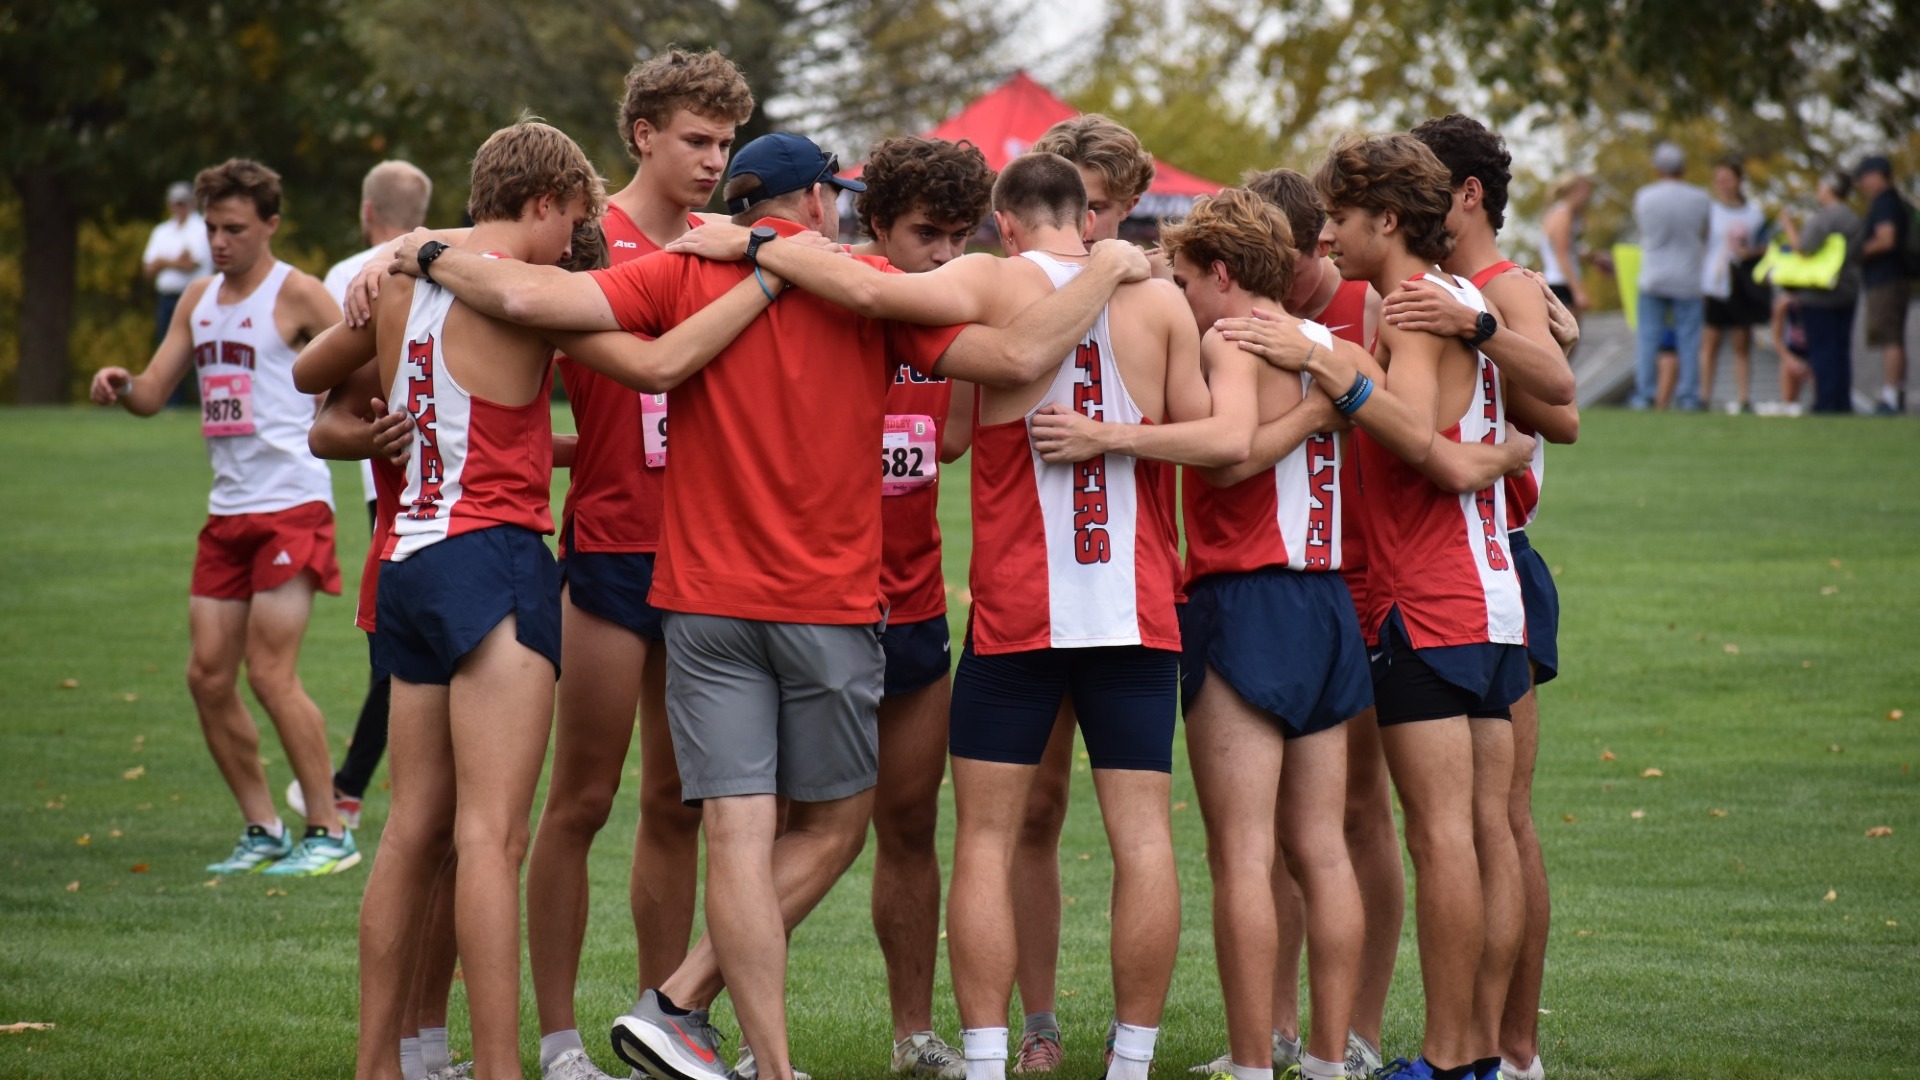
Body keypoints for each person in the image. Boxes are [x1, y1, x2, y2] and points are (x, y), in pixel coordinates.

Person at [381, 131, 1150, 1080]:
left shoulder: (677, 274)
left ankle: (764, 1063)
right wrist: (1109, 264)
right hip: (827, 602)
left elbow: (528, 295)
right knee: (829, 829)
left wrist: (420, 248)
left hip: (697, 601)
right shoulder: (860, 284)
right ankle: (681, 1006)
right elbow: (1025, 349)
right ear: (819, 201)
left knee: (735, 834)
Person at [294, 118, 786, 1080]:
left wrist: (371, 322)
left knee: (409, 829)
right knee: (492, 837)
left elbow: (317, 383)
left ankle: (376, 1065)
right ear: (545, 203)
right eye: (574, 224)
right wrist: (766, 285)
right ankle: (499, 1068)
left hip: (408, 560)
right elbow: (657, 366)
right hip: (496, 558)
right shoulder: (537, 292)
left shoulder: (397, 276)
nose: (578, 244)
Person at [1217, 132, 1535, 1080]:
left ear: (1387, 220)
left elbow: (1419, 440)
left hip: (1426, 598)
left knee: (1442, 836)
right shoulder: (1469, 300)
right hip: (1491, 594)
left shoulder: (1411, 304)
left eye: (1343, 224)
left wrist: (1321, 363)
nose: (1330, 244)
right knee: (1484, 833)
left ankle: (1447, 1058)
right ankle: (1481, 1052)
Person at [523, 49, 756, 1080]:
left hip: (711, 556)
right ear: (642, 136)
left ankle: (670, 1027)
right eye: (695, 140)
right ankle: (560, 1035)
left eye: (725, 142)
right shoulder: (583, 242)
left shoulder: (733, 245)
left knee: (679, 804)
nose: (713, 160)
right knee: (580, 798)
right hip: (611, 549)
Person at [91, 158, 356, 877]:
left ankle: (330, 833)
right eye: (211, 227)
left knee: (271, 674)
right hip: (227, 512)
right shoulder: (197, 301)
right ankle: (263, 827)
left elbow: (365, 367)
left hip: (292, 505)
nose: (219, 241)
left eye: (235, 228)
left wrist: (350, 425)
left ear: (270, 223)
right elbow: (155, 391)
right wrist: (122, 386)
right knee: (208, 677)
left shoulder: (298, 294)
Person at [1400, 114, 1583, 1080]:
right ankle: (1500, 1048)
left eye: (1429, 184)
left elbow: (1564, 412)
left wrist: (1484, 342)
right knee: (1488, 820)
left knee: (1494, 820)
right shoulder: (1483, 289)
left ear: (1468, 193)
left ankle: (1506, 1047)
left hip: (1489, 552)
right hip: (1481, 555)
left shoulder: (1500, 287)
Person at [1008, 114, 1161, 1072]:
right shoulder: (1020, 285)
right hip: (1028, 591)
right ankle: (1037, 1026)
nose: (1087, 227)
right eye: (1077, 208)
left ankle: (1137, 1042)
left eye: (1101, 209)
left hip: (1132, 589)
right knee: (1030, 813)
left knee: (1138, 827)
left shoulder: (1161, 285)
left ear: (1127, 205)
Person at [848, 134, 998, 1080]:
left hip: (910, 601)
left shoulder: (956, 311)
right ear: (875, 228)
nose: (943, 255)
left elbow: (945, 442)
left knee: (908, 822)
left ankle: (914, 1036)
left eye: (958, 236)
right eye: (923, 235)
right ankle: (741, 1037)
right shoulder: (833, 291)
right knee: (780, 828)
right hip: (809, 603)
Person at [289, 159, 435, 835]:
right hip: (443, 486)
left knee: (397, 648)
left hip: (384, 479)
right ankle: (356, 787)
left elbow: (322, 401)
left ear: (366, 210)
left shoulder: (347, 274)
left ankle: (349, 788)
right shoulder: (460, 262)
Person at [1630, 141, 1712, 411]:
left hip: (1653, 274)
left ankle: (1645, 395)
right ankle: (1688, 397)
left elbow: (1643, 231)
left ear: (1657, 169)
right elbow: (1705, 235)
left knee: (1648, 338)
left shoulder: (1645, 196)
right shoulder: (1700, 198)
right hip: (1688, 276)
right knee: (1689, 340)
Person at [1777, 172, 1863, 415]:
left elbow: (1804, 248)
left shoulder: (1825, 217)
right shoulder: (1853, 218)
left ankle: (1825, 403)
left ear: (1830, 188)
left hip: (1820, 291)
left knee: (1821, 348)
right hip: (1848, 288)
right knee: (1841, 349)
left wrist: (1788, 227)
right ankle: (1841, 402)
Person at [1700, 160, 1770, 413]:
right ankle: (1704, 397)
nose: (1722, 185)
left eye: (1727, 179)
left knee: (1741, 342)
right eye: (1718, 179)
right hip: (1713, 283)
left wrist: (1749, 252)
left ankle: (1743, 397)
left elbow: (1766, 246)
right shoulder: (1709, 212)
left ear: (1739, 181)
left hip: (1741, 284)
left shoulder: (1754, 215)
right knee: (1711, 341)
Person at [1855, 155, 1911, 414]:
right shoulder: (1891, 202)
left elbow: (1886, 239)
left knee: (1890, 338)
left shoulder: (1886, 202)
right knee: (1891, 337)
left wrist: (1857, 251)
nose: (1862, 184)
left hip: (1888, 278)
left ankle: (1890, 395)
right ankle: (1893, 392)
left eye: (1865, 177)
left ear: (1878, 175)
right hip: (1892, 278)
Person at [142, 181, 213, 346]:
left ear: (191, 203)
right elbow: (148, 269)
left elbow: (190, 264)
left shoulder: (201, 228)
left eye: (183, 203)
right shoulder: (161, 231)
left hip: (195, 298)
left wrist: (161, 261)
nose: (179, 208)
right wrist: (176, 261)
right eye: (175, 203)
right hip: (166, 299)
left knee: (195, 347)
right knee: (166, 347)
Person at [1539, 175, 1592, 316]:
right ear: (1575, 191)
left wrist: (1593, 258)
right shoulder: (1563, 215)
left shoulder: (1567, 214)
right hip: (1561, 283)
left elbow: (1569, 250)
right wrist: (1577, 291)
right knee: (1569, 336)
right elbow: (1562, 253)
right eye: (1587, 191)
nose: (1589, 197)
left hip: (1563, 282)